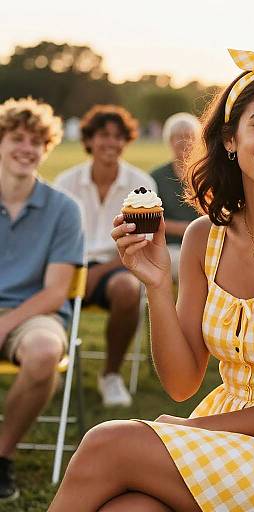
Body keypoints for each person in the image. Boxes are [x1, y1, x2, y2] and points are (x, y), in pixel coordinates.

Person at [49, 46, 254, 512]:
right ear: (230, 139)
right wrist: (157, 285)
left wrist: (188, 431)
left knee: (109, 443)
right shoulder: (206, 236)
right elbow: (183, 384)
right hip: (231, 444)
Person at [0, 97, 84, 502]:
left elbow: (55, 292)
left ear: (46, 148)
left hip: (36, 311)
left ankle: (1, 456)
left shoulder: (64, 209)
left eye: (36, 141)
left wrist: (4, 324)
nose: (26, 148)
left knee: (46, 350)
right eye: (17, 138)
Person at [54, 105, 156, 408]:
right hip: (69, 264)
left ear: (126, 141)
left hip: (118, 266)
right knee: (44, 287)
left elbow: (142, 245)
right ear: (89, 140)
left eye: (117, 136)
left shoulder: (141, 185)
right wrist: (77, 271)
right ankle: (50, 364)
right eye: (103, 135)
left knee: (129, 289)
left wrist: (95, 274)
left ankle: (110, 375)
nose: (110, 142)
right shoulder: (65, 181)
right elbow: (54, 241)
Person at [150, 113, 200, 282]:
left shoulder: (207, 176)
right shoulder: (156, 177)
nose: (184, 142)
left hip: (204, 244)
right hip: (168, 247)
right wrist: (186, 229)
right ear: (169, 141)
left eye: (189, 137)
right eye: (179, 137)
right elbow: (150, 219)